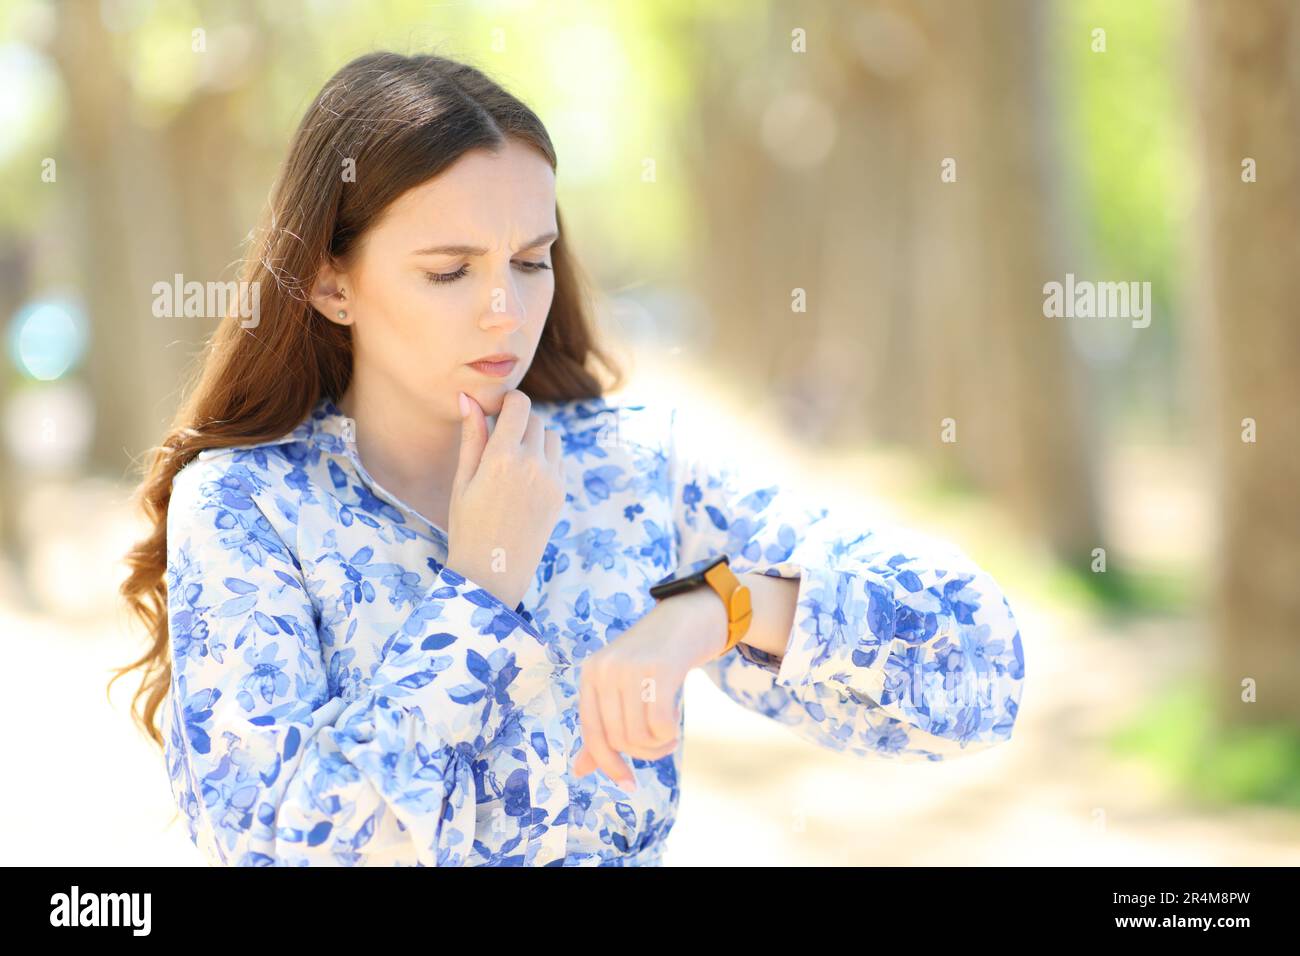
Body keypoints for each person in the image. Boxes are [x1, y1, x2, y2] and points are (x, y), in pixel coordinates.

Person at [117, 51, 1026, 867]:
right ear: (330, 282)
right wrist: (481, 591)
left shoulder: (630, 466)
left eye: (530, 261)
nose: (507, 311)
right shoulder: (245, 508)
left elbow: (983, 671)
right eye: (450, 271)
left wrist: (721, 607)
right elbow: (277, 844)